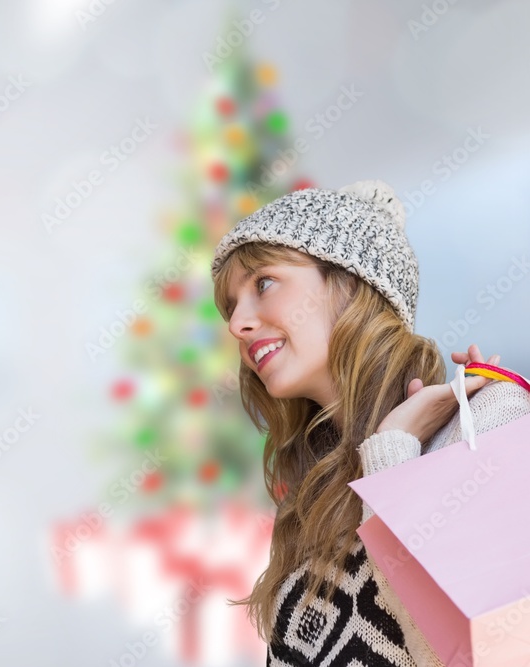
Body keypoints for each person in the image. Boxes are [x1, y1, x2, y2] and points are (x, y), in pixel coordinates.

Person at [209, 180, 530, 666]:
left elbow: (486, 656)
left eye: (263, 284)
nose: (237, 324)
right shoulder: (308, 505)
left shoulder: (486, 420)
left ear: (351, 284)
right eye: (231, 306)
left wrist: (392, 458)